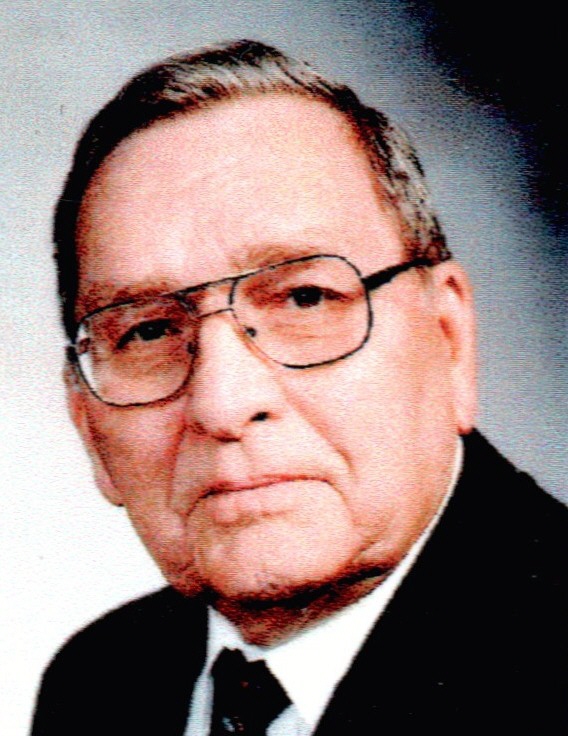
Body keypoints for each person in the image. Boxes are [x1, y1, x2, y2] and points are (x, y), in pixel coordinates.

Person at [31, 40, 567, 734]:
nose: (223, 405)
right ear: (86, 423)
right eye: (148, 331)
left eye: (305, 298)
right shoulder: (97, 685)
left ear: (449, 339)